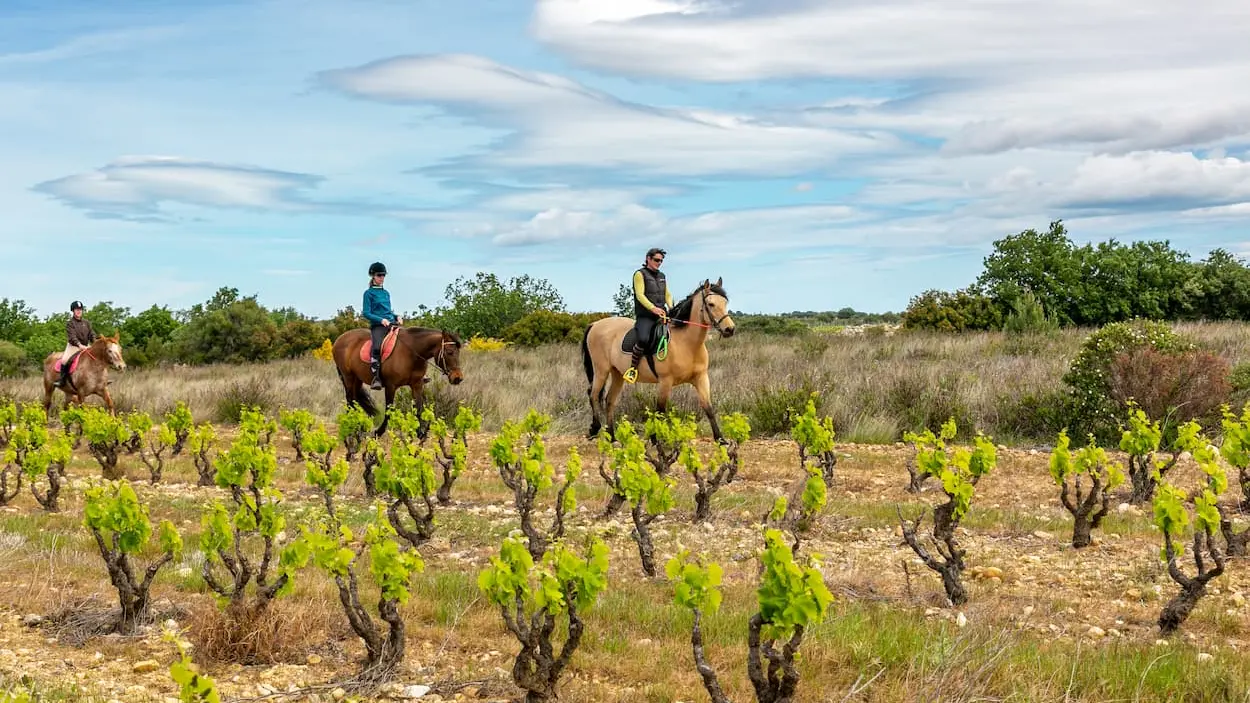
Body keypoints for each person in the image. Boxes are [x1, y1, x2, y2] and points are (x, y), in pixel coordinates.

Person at [624, 247, 673, 384]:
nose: (659, 263)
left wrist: (671, 307)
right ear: (648, 259)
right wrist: (653, 309)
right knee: (644, 338)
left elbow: (667, 294)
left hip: (661, 315)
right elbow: (640, 295)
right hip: (645, 316)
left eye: (661, 261)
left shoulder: (662, 276)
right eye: (657, 260)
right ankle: (633, 369)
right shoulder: (639, 274)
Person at [361, 261, 402, 390]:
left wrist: (396, 316)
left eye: (383, 275)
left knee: (408, 342)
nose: (382, 278)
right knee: (377, 347)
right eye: (379, 275)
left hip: (391, 324)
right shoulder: (368, 293)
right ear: (373, 276)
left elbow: (388, 311)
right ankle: (376, 377)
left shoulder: (386, 293)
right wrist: (381, 320)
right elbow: (366, 313)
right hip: (378, 326)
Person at [54, 300, 98, 388]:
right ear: (73, 311)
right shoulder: (70, 323)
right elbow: (72, 337)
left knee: (97, 358)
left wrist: (95, 342)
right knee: (65, 360)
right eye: (77, 310)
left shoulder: (87, 323)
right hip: (73, 346)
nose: (79, 311)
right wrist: (79, 345)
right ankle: (62, 381)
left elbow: (91, 334)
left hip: (85, 346)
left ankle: (100, 380)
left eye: (80, 309)